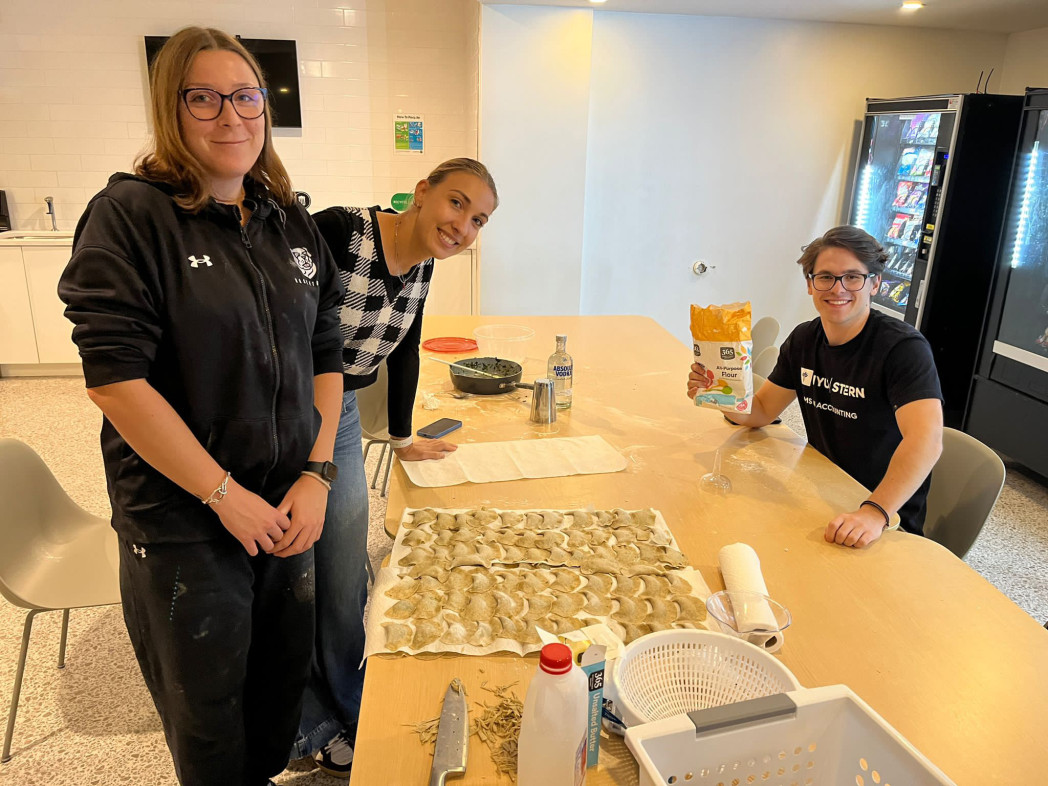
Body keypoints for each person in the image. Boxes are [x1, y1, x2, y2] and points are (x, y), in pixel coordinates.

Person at [57, 27, 345, 786]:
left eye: (246, 96)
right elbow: (115, 380)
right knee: (211, 730)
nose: (231, 116)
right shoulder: (131, 215)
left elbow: (325, 358)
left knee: (277, 704)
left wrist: (317, 474)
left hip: (285, 507)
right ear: (171, 110)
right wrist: (224, 496)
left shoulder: (287, 219)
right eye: (204, 98)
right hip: (187, 521)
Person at [293, 158, 499, 777]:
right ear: (421, 192)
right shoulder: (338, 231)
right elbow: (286, 324)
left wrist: (404, 437)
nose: (463, 224)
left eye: (479, 219)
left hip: (344, 408)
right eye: (457, 203)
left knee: (343, 549)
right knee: (298, 568)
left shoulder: (422, 265)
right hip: (287, 409)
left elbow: (405, 345)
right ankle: (314, 722)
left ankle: (355, 693)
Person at [688, 225, 943, 547]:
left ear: (875, 283)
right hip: (823, 488)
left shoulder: (902, 348)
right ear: (810, 284)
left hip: (884, 513)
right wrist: (718, 394)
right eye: (825, 277)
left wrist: (874, 512)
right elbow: (764, 410)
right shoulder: (805, 339)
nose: (838, 289)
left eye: (853, 277)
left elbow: (927, 440)